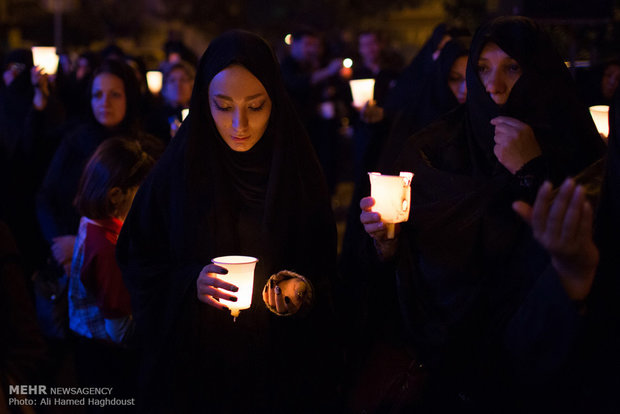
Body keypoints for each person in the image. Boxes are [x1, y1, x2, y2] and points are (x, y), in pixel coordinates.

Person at [358, 16, 606, 412]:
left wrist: (532, 173)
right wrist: (387, 244)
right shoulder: (435, 150)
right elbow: (408, 276)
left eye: (512, 68)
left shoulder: (574, 148)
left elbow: (569, 265)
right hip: (444, 373)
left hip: (536, 378)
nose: (494, 85)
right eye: (483, 70)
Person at [116, 30, 340, 413]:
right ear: (204, 104)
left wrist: (301, 289)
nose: (240, 124)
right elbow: (137, 257)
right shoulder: (177, 172)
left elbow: (325, 267)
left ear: (276, 101)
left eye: (256, 106)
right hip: (193, 374)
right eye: (223, 106)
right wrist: (190, 283)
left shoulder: (297, 172)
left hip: (278, 373)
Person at [36, 58, 162, 281]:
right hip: (67, 258)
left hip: (126, 265)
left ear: (129, 98)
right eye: (97, 95)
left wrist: (82, 244)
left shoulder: (146, 150)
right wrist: (61, 244)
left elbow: (153, 214)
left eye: (115, 94)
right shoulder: (74, 142)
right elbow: (46, 196)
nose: (105, 102)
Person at [68, 137, 154, 406]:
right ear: (116, 195)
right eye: (142, 191)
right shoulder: (108, 249)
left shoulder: (95, 222)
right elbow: (120, 332)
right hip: (107, 360)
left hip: (89, 347)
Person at [145, 60, 195, 144]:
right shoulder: (155, 118)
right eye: (172, 80)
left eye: (183, 80)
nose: (178, 85)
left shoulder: (198, 115)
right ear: (165, 86)